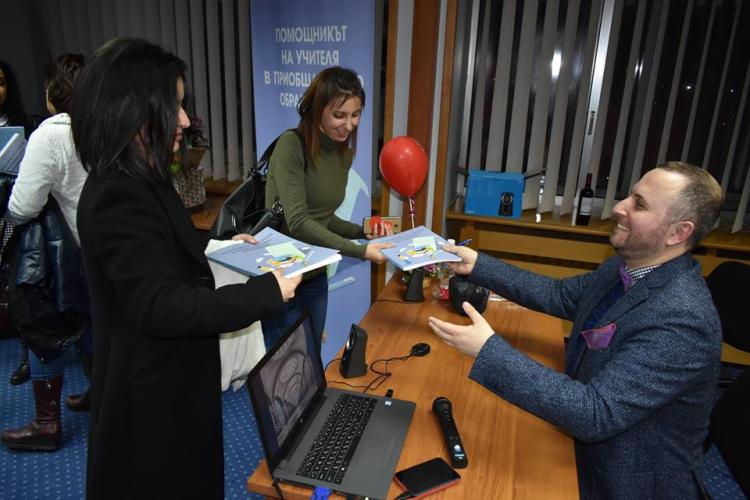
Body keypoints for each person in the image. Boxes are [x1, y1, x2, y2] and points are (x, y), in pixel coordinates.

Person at [70, 38, 301, 498]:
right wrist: (265, 293)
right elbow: (162, 305)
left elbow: (155, 250)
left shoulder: (139, 177)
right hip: (151, 409)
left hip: (172, 389)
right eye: (173, 106)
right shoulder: (119, 195)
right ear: (134, 110)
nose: (184, 120)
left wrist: (218, 245)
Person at [428, 162, 724, 499]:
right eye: (630, 195)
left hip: (622, 482)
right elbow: (560, 295)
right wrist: (478, 264)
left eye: (639, 204)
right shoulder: (627, 267)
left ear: (678, 233)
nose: (619, 207)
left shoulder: (683, 321)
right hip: (579, 443)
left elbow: (596, 414)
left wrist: (489, 350)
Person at [263, 66, 393, 350]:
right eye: (339, 115)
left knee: (311, 356)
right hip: (281, 275)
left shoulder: (343, 154)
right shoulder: (291, 145)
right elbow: (298, 221)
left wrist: (362, 232)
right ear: (318, 109)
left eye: (355, 114)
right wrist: (360, 251)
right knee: (284, 364)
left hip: (314, 273)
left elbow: (323, 218)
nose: (349, 125)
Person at [1, 53, 92, 453]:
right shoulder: (102, 128)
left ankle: (46, 424)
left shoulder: (50, 135)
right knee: (92, 323)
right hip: (106, 251)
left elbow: (23, 206)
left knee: (44, 327)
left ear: (53, 92)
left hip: (72, 254)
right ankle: (103, 394)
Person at [0, 59, 34, 386]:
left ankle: (27, 354)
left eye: (0, 82)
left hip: (13, 216)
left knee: (17, 286)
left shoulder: (23, 125)